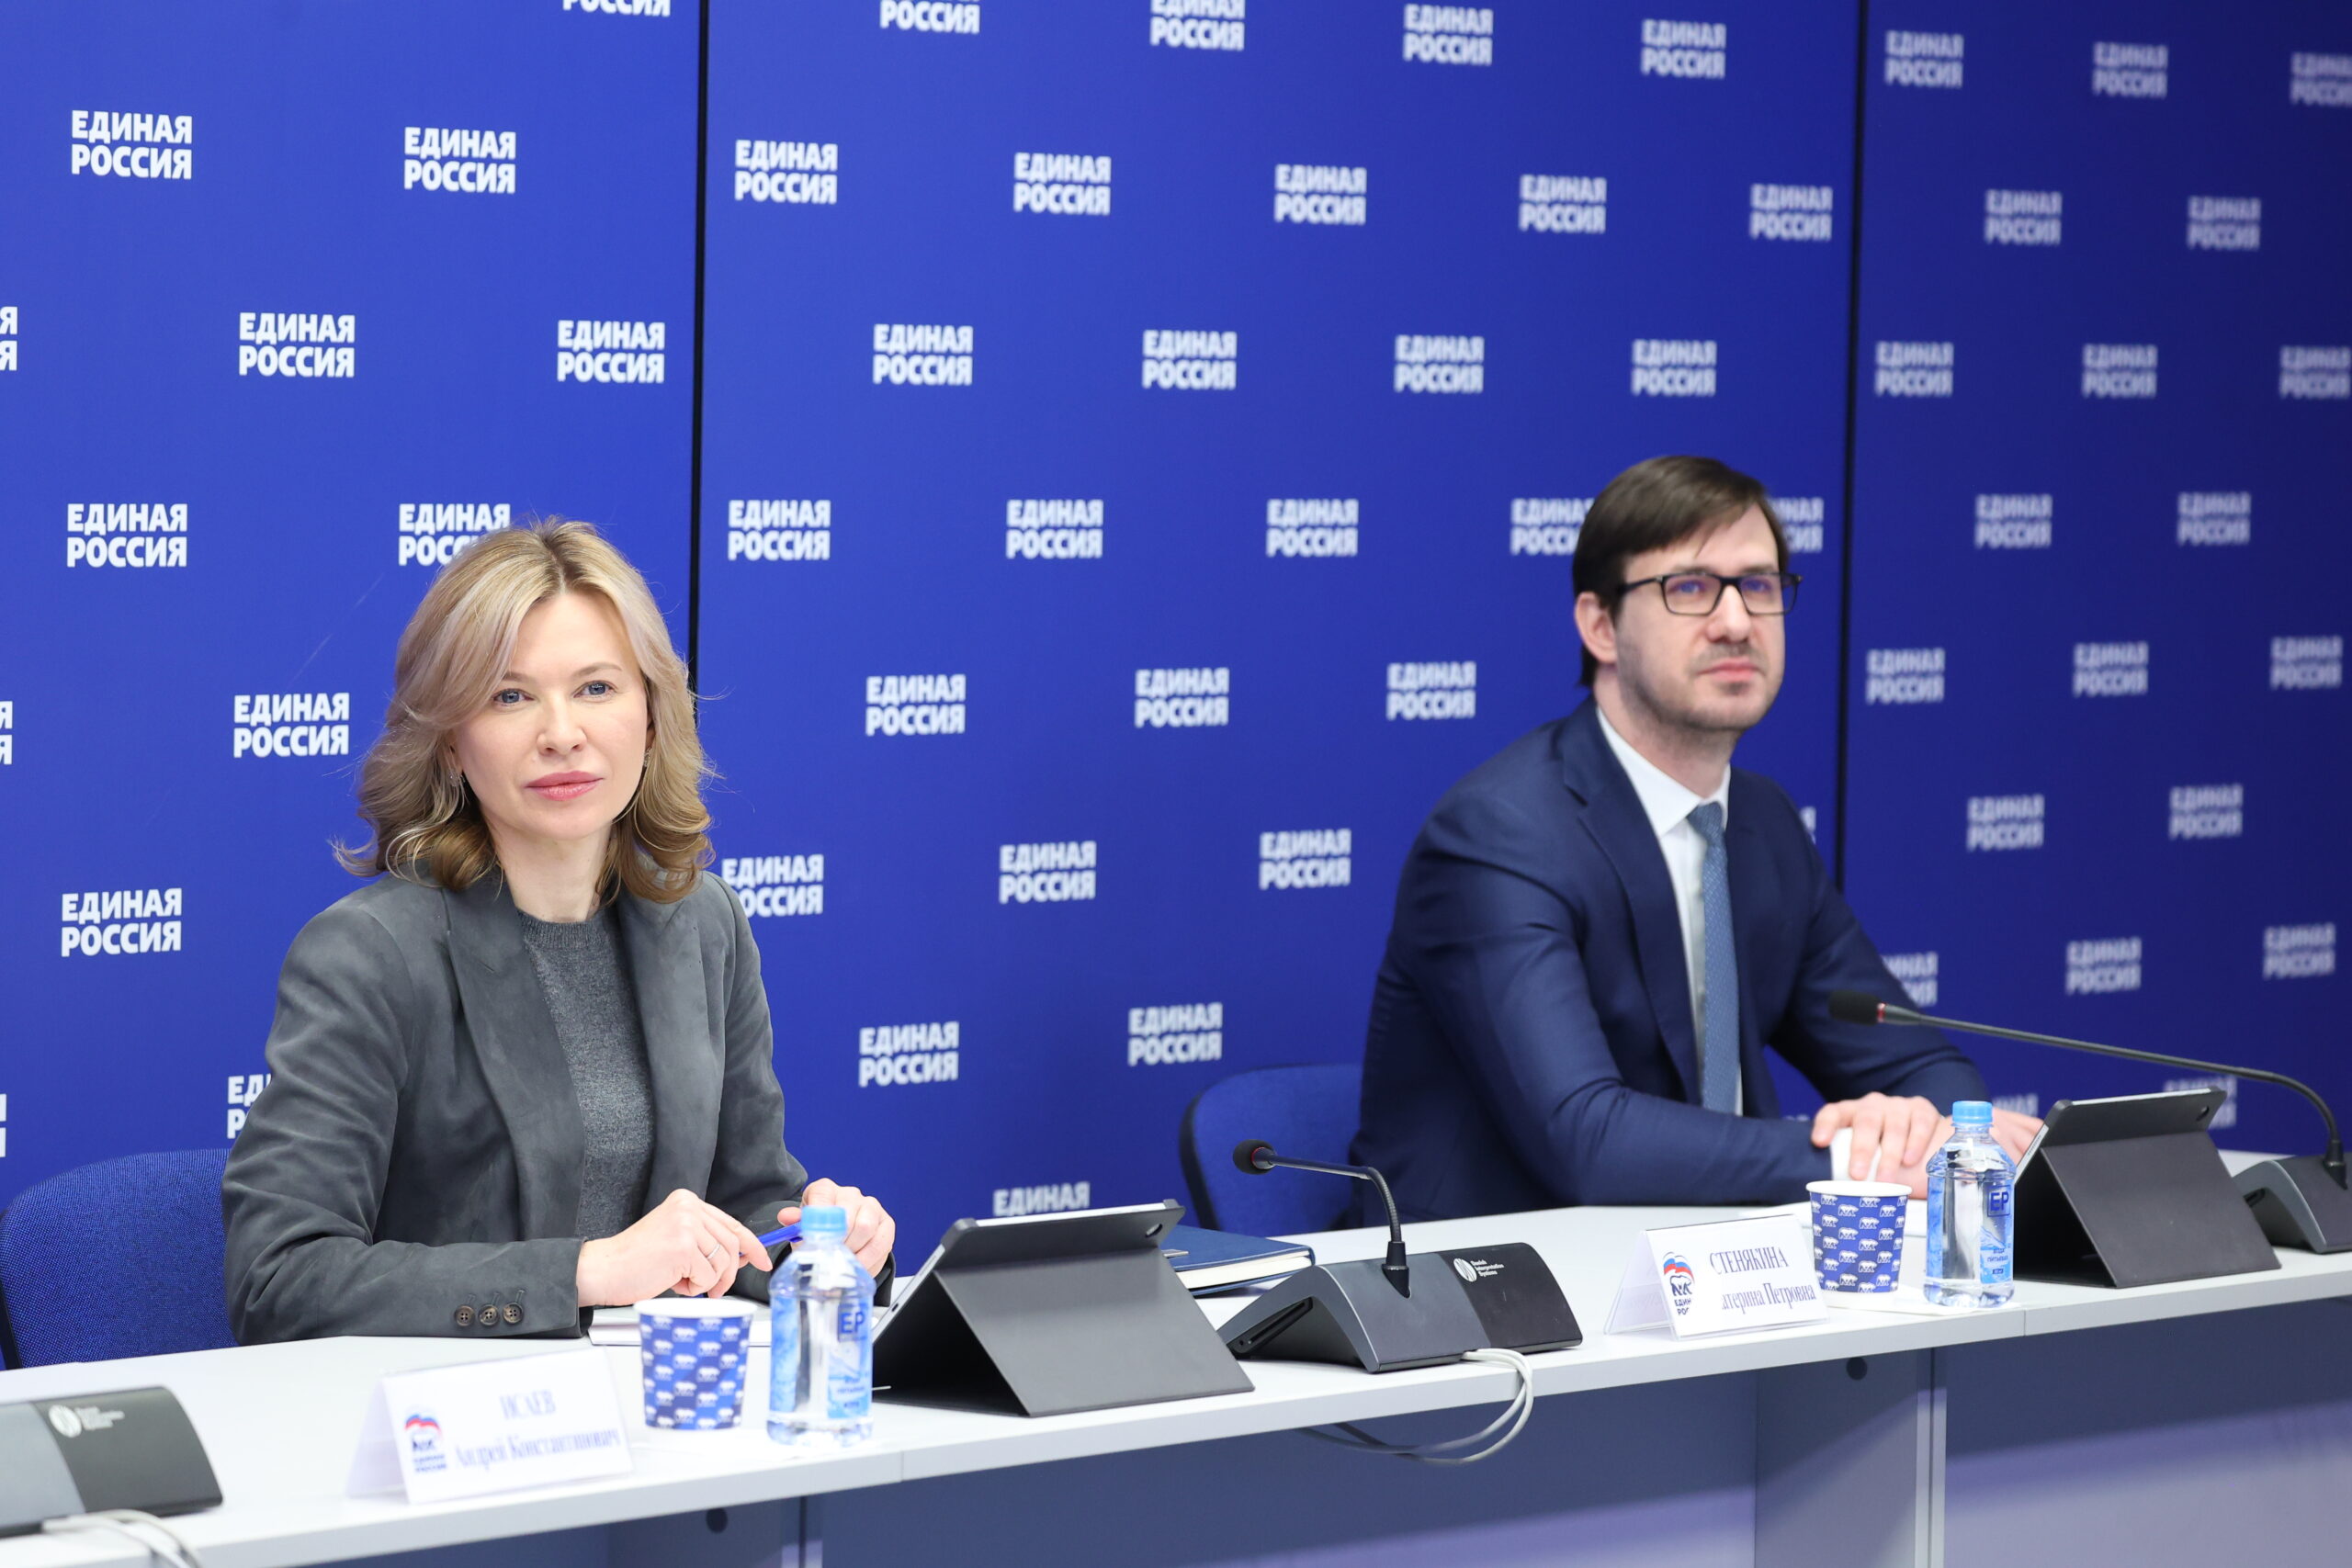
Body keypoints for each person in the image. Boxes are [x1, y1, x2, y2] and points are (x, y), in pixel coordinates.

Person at [223, 520, 893, 1342]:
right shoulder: (368, 956)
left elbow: (747, 1209)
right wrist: (586, 1271)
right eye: (510, 696)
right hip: (449, 1409)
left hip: (652, 1404)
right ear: (449, 742)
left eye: (597, 688)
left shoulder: (704, 923)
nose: (562, 733)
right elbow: (279, 1278)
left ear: (653, 717)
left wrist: (824, 1248)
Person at [1352, 456, 2039, 1217]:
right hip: (1494, 1274)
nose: (1737, 621)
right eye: (1689, 588)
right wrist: (1850, 1157)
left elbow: (1924, 1065)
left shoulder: (1761, 823)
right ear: (1600, 625)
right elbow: (1584, 1140)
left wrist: (1916, 1127)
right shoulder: (1500, 835)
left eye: (1759, 586)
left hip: (1712, 1266)